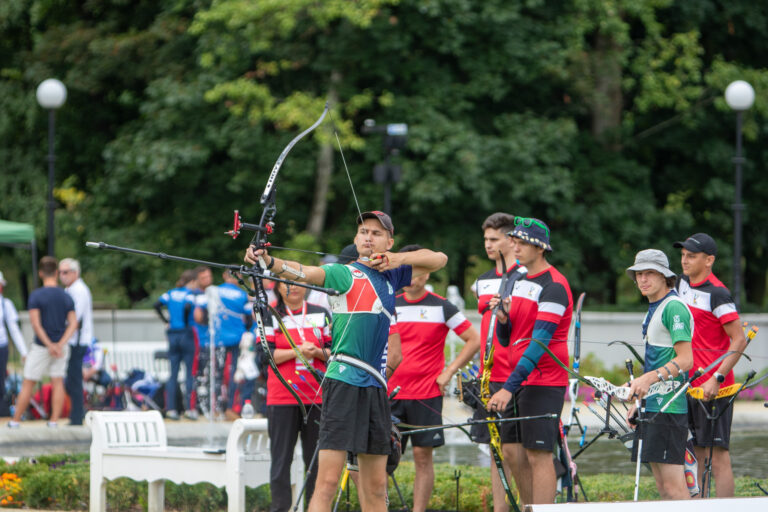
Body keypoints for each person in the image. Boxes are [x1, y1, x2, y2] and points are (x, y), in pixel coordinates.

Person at [246, 210, 447, 512]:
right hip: (344, 383)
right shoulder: (345, 274)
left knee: (377, 487)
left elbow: (439, 259)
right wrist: (269, 262)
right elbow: (306, 272)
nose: (369, 237)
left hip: (376, 388)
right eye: (363, 231)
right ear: (355, 239)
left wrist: (399, 259)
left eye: (377, 233)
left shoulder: (394, 274)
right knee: (327, 482)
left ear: (389, 241)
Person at [389, 244, 479, 512]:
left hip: (426, 395)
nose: (413, 277)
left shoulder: (442, 306)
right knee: (382, 459)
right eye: (408, 271)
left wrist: (448, 372)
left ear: (427, 273)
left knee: (422, 458)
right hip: (389, 394)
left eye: (418, 271)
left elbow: (473, 340)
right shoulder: (388, 302)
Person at [488, 217, 572, 507]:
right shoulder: (520, 279)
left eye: (522, 242)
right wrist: (503, 321)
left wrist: (508, 388)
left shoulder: (555, 286)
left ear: (540, 248)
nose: (516, 247)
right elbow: (509, 338)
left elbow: (538, 345)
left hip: (543, 381)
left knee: (538, 455)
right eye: (515, 241)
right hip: (520, 377)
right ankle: (527, 507)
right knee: (511, 452)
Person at [673, 233, 746, 497]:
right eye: (682, 255)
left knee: (718, 457)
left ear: (709, 260)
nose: (684, 260)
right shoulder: (680, 283)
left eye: (691, 256)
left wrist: (718, 377)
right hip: (688, 384)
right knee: (699, 454)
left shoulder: (718, 293)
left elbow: (739, 339)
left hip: (714, 387)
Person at [624, 249, 694, 500]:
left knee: (674, 489)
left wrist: (648, 379)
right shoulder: (654, 307)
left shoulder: (673, 308)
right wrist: (640, 400)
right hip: (654, 406)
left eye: (649, 273)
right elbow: (657, 361)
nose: (642, 279)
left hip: (669, 409)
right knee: (663, 489)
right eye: (639, 274)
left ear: (665, 276)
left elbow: (686, 360)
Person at [470, 212, 525, 511]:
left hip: (515, 374)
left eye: (494, 239)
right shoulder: (482, 280)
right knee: (494, 451)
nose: (488, 245)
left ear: (510, 239)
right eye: (486, 239)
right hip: (487, 376)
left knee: (517, 452)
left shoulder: (524, 276)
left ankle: (526, 504)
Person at [265, 280, 331, 512]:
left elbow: (335, 352)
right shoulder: (269, 312)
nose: (292, 288)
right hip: (282, 397)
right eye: (286, 284)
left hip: (317, 398)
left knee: (316, 462)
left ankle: (315, 508)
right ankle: (280, 508)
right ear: (278, 288)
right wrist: (297, 351)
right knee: (281, 462)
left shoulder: (321, 313)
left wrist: (317, 352)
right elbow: (265, 354)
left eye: (296, 283)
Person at [9, 256, 77, 428]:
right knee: (57, 381)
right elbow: (73, 323)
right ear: (56, 272)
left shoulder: (36, 296)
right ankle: (54, 420)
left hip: (41, 345)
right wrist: (59, 344)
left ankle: (15, 421)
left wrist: (49, 344)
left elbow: (36, 324)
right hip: (61, 347)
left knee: (28, 381)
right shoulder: (66, 296)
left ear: (40, 273)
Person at [154, 269, 197, 420]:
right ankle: (189, 409)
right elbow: (187, 307)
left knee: (173, 374)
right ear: (191, 282)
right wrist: (185, 322)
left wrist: (166, 321)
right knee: (189, 373)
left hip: (172, 333)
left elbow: (156, 304)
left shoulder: (170, 293)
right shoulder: (189, 294)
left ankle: (171, 409)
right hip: (185, 333)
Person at [59, 258, 93, 426]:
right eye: (60, 272)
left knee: (74, 379)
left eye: (65, 272)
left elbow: (75, 318)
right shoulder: (70, 289)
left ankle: (77, 416)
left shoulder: (78, 290)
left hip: (77, 341)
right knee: (72, 379)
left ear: (75, 272)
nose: (61, 276)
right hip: (73, 339)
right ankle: (76, 414)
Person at [0, 271, 28, 415]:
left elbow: (14, 329)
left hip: (1, 347)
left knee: (1, 381)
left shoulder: (6, 304)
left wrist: (23, 351)